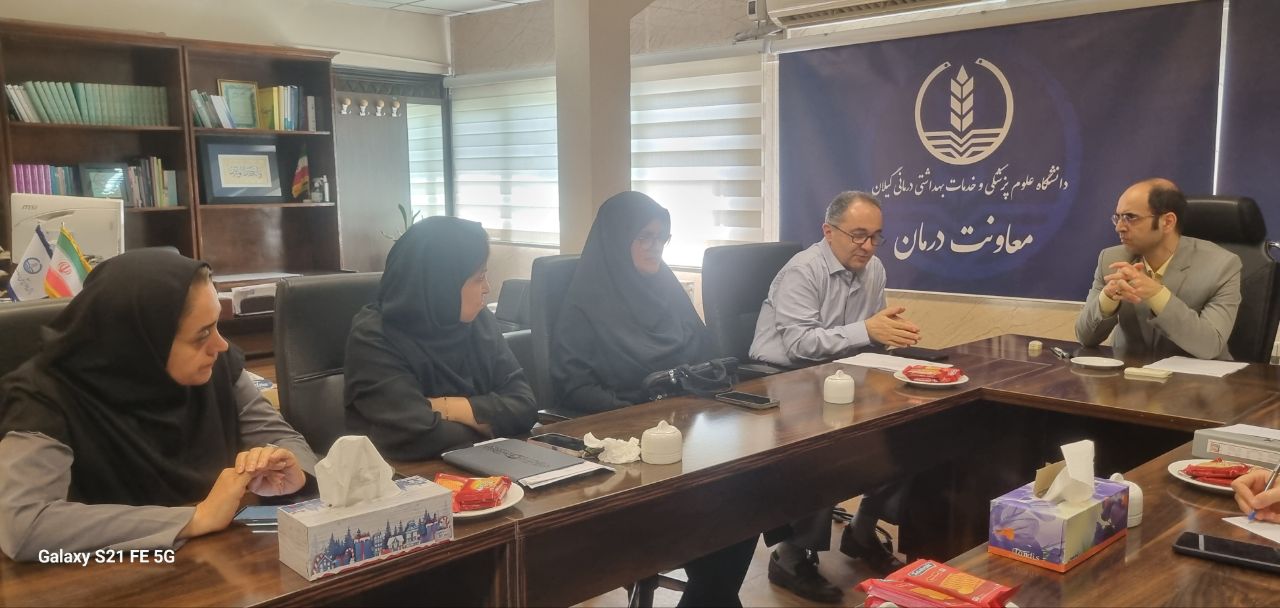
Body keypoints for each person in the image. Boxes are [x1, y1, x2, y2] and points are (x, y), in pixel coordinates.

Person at [0, 249, 317, 562]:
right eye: (202, 334)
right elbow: (25, 524)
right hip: (109, 573)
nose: (220, 345)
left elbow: (283, 440)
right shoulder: (43, 395)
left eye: (216, 325)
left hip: (220, 560)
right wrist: (195, 518)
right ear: (140, 342)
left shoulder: (216, 366)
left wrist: (295, 472)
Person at [552, 191, 756, 607]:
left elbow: (706, 351)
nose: (654, 247)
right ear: (617, 239)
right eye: (644, 237)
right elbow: (572, 387)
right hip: (625, 452)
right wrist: (638, 416)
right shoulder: (585, 303)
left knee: (748, 495)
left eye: (661, 238)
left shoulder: (666, 287)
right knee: (720, 514)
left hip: (685, 434)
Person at [749, 191, 917, 602]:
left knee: (912, 421)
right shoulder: (802, 271)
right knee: (826, 442)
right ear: (828, 231)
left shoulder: (874, 269)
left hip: (839, 373)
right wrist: (867, 331)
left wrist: (886, 342)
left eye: (876, 236)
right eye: (858, 235)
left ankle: (863, 529)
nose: (868, 246)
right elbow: (799, 344)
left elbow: (869, 337)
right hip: (781, 377)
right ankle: (790, 554)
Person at [345, 216, 538, 461]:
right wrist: (491, 421)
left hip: (483, 466)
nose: (487, 288)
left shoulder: (478, 322)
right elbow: (416, 436)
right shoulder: (374, 336)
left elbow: (525, 406)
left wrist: (443, 407)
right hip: (401, 475)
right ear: (442, 283)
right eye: (478, 278)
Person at [1075, 178, 1242, 360]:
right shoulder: (1112, 259)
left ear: (1167, 222)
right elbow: (1085, 338)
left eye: (1130, 217)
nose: (1119, 227)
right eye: (1118, 217)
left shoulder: (1221, 266)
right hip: (1131, 373)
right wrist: (1107, 300)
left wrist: (1157, 295)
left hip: (1197, 376)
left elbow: (1210, 346)